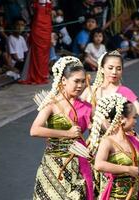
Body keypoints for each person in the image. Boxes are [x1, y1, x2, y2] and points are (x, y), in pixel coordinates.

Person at [81, 51, 139, 146]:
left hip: (122, 142)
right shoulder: (90, 91)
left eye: (118, 69)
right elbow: (75, 111)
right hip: (96, 143)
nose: (114, 72)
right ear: (102, 69)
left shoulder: (124, 91)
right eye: (110, 68)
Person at [30, 56, 93, 200]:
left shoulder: (87, 106)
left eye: (83, 81)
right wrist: (67, 133)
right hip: (52, 164)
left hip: (77, 163)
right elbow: (35, 130)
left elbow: (100, 130)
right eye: (76, 81)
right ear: (63, 80)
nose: (80, 85)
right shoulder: (51, 103)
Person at [19, 0, 51, 84]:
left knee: (45, 51)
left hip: (47, 25)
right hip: (38, 24)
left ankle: (43, 74)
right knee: (37, 51)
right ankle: (35, 75)